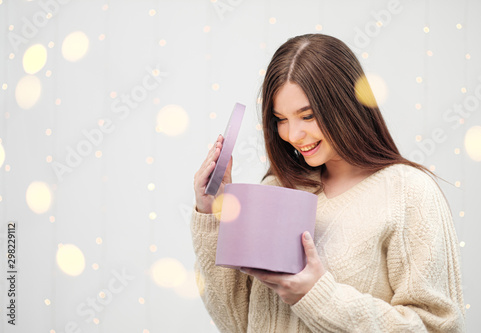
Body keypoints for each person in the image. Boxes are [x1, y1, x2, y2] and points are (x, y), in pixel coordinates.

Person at [191, 33, 465, 332]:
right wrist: (213, 213)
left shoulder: (408, 193)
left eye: (306, 116)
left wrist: (317, 296)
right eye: (280, 119)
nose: (293, 134)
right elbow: (236, 322)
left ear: (346, 104)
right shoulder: (278, 187)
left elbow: (437, 327)